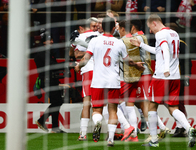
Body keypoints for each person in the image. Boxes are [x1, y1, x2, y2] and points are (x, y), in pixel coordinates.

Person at [75, 16, 145, 147]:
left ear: (101, 27)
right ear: (114, 28)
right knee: (113, 110)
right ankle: (111, 139)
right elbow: (127, 61)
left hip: (98, 82)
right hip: (113, 81)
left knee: (97, 110)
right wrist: (137, 65)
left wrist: (78, 66)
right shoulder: (119, 43)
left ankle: (97, 122)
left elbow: (85, 59)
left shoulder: (95, 41)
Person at [130, 13, 196, 147]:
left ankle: (154, 140)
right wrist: (141, 45)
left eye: (150, 27)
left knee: (151, 106)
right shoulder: (174, 34)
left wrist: (166, 67)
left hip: (162, 76)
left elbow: (165, 49)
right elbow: (158, 50)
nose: (150, 31)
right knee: (173, 108)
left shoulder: (160, 34)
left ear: (154, 23)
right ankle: (190, 129)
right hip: (175, 76)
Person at [118, 19, 170, 142]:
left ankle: (159, 128)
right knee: (137, 103)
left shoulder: (136, 39)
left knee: (145, 104)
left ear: (132, 28)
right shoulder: (142, 36)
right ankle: (141, 129)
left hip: (142, 73)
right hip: (143, 73)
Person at [72, 18, 99, 141]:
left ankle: (83, 133)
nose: (96, 27)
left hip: (88, 70)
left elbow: (76, 55)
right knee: (102, 103)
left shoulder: (82, 37)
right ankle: (112, 132)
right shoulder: (101, 36)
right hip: (102, 72)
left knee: (86, 103)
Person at [34, 30, 65, 133]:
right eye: (49, 40)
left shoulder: (47, 52)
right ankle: (42, 120)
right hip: (47, 80)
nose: (51, 42)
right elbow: (52, 65)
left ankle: (55, 128)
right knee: (57, 101)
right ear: (43, 42)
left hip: (51, 79)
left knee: (56, 102)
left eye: (51, 39)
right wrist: (67, 64)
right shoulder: (42, 52)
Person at [165, 22, 192, 137]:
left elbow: (187, 61)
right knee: (168, 101)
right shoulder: (166, 43)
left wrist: (186, 76)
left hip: (179, 77)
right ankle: (180, 126)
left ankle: (181, 127)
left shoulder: (181, 44)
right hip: (168, 78)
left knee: (178, 102)